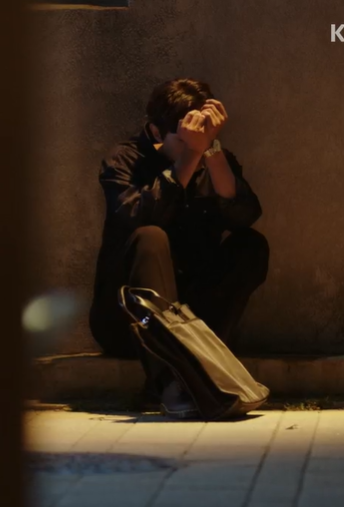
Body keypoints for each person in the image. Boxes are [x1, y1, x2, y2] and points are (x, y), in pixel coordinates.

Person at [88, 78, 269, 418]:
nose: (197, 146)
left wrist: (211, 152)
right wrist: (190, 156)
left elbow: (245, 215)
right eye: (186, 138)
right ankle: (172, 381)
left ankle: (193, 367)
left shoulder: (214, 158)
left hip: (192, 316)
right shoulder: (125, 160)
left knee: (251, 246)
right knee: (150, 236)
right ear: (157, 132)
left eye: (205, 137)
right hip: (128, 322)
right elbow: (142, 215)